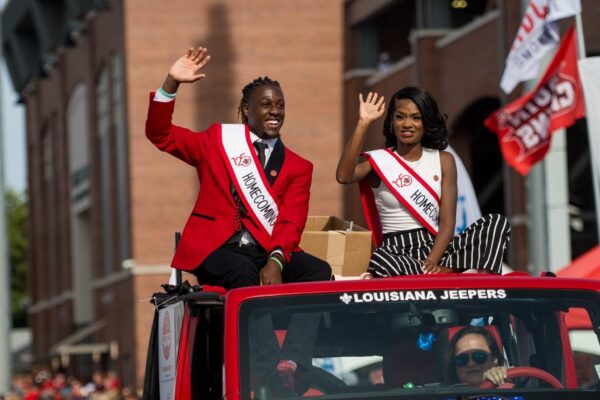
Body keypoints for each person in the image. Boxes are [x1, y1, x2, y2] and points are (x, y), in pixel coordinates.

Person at [145, 46, 331, 396]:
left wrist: (276, 259)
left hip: (266, 251)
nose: (274, 111)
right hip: (217, 249)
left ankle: (292, 363)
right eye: (266, 104)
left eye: (280, 105)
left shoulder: (299, 167)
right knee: (241, 274)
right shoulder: (218, 141)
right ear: (247, 110)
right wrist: (171, 83)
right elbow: (161, 134)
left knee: (317, 271)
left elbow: (291, 222)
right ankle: (264, 373)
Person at [336, 87, 510, 277]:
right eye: (400, 117)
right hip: (396, 251)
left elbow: (447, 222)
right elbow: (344, 176)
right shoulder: (378, 161)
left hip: (436, 248)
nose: (407, 124)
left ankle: (438, 271)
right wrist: (363, 122)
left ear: (426, 123)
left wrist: (433, 261)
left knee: (496, 223)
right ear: (392, 123)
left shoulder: (444, 160)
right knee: (380, 261)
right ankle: (439, 273)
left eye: (416, 118)